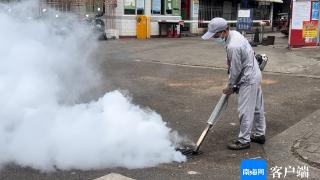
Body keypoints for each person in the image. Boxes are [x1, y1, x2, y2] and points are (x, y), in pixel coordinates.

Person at [202, 17, 266, 150]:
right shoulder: (235, 34)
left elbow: (236, 70)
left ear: (224, 31)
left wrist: (231, 86)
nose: (215, 37)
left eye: (216, 35)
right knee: (257, 107)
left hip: (248, 78)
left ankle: (244, 140)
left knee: (245, 110)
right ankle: (260, 134)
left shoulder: (233, 46)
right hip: (255, 73)